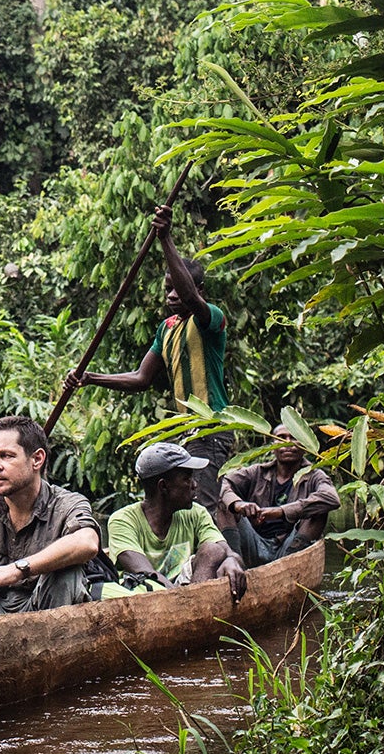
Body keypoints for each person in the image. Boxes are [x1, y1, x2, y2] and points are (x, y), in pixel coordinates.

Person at [76, 203, 235, 524]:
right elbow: (140, 379)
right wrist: (90, 377)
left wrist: (165, 239)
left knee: (202, 506)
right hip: (185, 433)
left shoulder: (210, 319)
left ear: (198, 291)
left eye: (178, 288)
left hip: (212, 429)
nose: (172, 296)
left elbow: (191, 299)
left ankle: (225, 565)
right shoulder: (167, 329)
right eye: (168, 290)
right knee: (180, 505)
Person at [0, 415, 112, 615]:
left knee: (68, 571)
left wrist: (16, 570)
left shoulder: (66, 503)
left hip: (48, 614)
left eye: (6, 455)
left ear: (37, 459)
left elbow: (87, 543)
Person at [103, 440, 247, 601]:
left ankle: (195, 610)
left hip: (188, 589)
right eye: (186, 479)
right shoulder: (123, 520)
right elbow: (144, 572)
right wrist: (182, 601)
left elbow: (227, 552)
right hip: (145, 595)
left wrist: (232, 560)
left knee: (213, 550)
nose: (194, 485)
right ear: (163, 486)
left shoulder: (196, 513)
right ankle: (195, 609)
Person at [218, 423, 341, 566]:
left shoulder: (315, 475)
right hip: (255, 541)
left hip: (291, 547)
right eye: (281, 438)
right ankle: (235, 562)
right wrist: (239, 505)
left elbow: (332, 498)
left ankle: (288, 566)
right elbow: (224, 485)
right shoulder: (256, 472)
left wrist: (280, 511)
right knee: (224, 504)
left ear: (305, 445)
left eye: (294, 438)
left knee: (319, 511)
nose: (288, 443)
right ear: (272, 445)